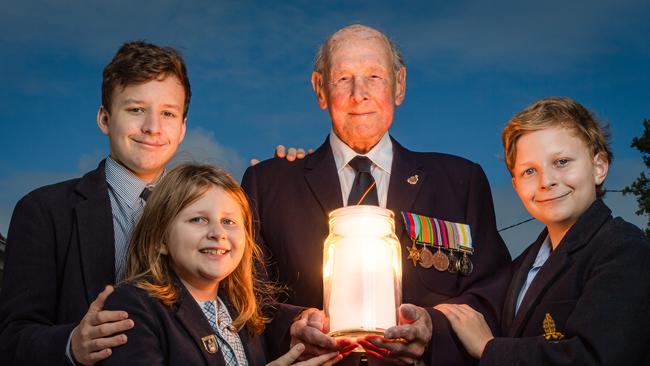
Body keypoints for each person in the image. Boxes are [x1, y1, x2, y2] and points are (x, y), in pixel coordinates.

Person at [241, 24, 512, 365]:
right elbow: (244, 295)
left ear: (399, 85)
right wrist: (292, 326)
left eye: (374, 76)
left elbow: (494, 292)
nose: (359, 93)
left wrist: (434, 329)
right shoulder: (268, 184)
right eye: (343, 78)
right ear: (320, 89)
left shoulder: (460, 182)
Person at [0, 41, 191, 365]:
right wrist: (71, 344)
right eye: (135, 110)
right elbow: (10, 339)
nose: (152, 127)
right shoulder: (43, 211)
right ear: (105, 118)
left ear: (183, 128)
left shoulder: (207, 213)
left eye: (168, 113)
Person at [436, 97, 650, 364]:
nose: (546, 181)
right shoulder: (521, 265)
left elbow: (595, 358)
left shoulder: (624, 248)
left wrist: (488, 348)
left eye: (561, 162)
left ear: (599, 167)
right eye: (529, 171)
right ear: (515, 185)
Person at [101, 163, 341, 365]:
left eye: (228, 221)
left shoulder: (241, 313)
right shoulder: (131, 308)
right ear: (160, 239)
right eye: (198, 219)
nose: (218, 233)